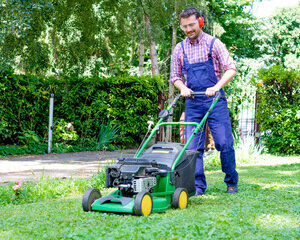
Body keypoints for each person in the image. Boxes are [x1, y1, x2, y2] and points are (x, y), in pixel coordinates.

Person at [170, 7, 238, 195]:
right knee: (193, 148)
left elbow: (231, 68)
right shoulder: (180, 48)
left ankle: (231, 182)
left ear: (200, 21)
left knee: (224, 143)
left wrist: (216, 87)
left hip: (215, 100)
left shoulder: (213, 44)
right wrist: (183, 88)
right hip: (193, 101)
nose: (188, 30)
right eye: (184, 27)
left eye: (191, 25)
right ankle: (198, 186)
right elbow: (175, 76)